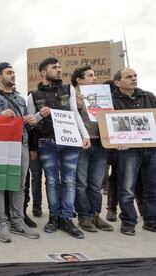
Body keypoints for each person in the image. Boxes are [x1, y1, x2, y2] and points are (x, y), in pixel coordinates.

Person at [27, 57, 90, 239]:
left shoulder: (68, 89)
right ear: (43, 72)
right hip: (47, 143)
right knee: (52, 180)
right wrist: (40, 115)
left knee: (69, 180)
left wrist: (84, 135)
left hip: (70, 142)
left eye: (60, 67)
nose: (59, 70)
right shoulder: (33, 95)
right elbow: (30, 123)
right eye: (54, 67)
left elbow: (75, 114)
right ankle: (54, 216)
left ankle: (67, 218)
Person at [0, 62, 40, 243]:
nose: (13, 75)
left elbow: (27, 125)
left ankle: (17, 221)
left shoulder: (21, 99)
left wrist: (33, 119)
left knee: (19, 185)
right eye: (9, 72)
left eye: (14, 72)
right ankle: (1, 222)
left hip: (21, 144)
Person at [111, 68, 156, 235]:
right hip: (127, 151)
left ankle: (151, 220)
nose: (133, 78)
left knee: (153, 187)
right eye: (128, 76)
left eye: (135, 75)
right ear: (117, 82)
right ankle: (128, 222)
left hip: (151, 148)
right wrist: (116, 141)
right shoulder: (111, 100)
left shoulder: (148, 96)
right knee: (127, 187)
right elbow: (106, 125)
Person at [71, 66, 113, 233]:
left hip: (100, 144)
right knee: (81, 183)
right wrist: (79, 106)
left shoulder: (103, 96)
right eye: (90, 76)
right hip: (81, 145)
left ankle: (95, 214)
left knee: (95, 184)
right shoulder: (71, 96)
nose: (94, 78)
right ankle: (84, 216)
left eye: (94, 75)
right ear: (79, 80)